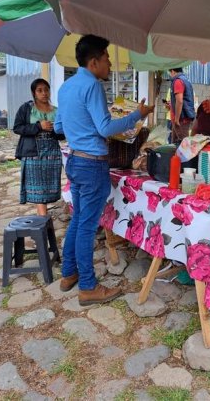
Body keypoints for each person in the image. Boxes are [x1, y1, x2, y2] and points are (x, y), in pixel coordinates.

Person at [54, 35, 154, 306]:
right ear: (95, 61)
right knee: (87, 225)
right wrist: (138, 115)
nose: (110, 63)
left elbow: (58, 127)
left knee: (78, 220)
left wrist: (82, 127)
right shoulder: (93, 86)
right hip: (92, 163)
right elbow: (106, 129)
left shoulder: (66, 87)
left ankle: (68, 274)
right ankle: (87, 286)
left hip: (75, 160)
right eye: (107, 58)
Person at [14, 79, 64, 216]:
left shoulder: (57, 111)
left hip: (53, 153)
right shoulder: (27, 108)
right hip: (33, 153)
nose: (44, 93)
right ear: (34, 93)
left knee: (48, 188)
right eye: (40, 90)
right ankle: (43, 220)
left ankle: (43, 220)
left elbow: (62, 135)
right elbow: (17, 128)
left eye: (46, 90)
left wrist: (56, 130)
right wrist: (38, 126)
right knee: (39, 189)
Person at [169, 67, 195, 143]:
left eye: (170, 73)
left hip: (181, 119)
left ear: (173, 71)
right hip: (181, 118)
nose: (170, 75)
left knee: (184, 145)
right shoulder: (185, 80)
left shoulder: (178, 81)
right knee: (175, 145)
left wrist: (177, 119)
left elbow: (179, 101)